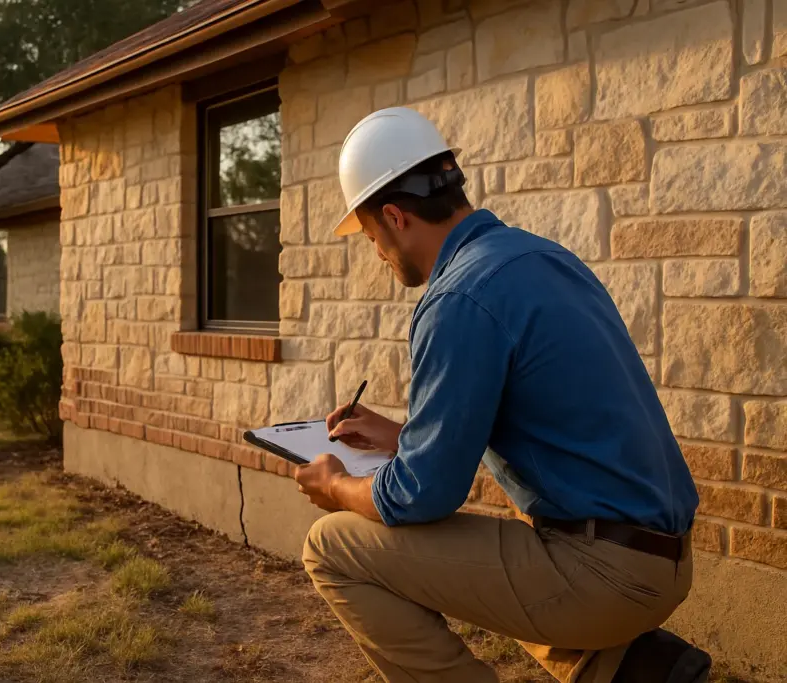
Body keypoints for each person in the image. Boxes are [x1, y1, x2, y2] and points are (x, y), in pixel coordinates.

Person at [292, 107, 712, 683]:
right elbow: (530, 422)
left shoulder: (458, 298)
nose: (378, 254)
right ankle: (628, 667)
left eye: (371, 237)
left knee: (332, 547)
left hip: (605, 573)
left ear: (394, 217)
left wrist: (337, 485)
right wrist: (402, 437)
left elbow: (420, 498)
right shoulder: (538, 257)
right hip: (663, 555)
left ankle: (610, 648)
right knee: (489, 550)